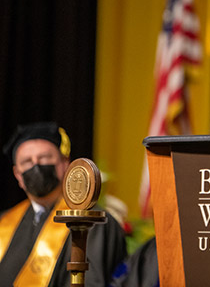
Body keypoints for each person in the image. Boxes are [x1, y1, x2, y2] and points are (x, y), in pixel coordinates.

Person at [0, 121, 127, 286]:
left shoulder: (92, 222)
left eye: (44, 158)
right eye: (27, 162)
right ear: (18, 175)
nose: (36, 165)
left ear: (65, 164)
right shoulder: (4, 222)